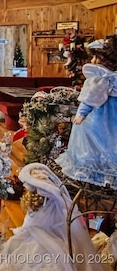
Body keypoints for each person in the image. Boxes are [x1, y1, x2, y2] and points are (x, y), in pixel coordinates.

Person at [55, 35, 117, 189]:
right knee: (109, 143)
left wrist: (81, 114)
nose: (93, 60)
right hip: (110, 116)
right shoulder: (106, 78)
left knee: (92, 138)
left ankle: (96, 169)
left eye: (95, 57)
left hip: (100, 116)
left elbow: (89, 99)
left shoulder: (100, 79)